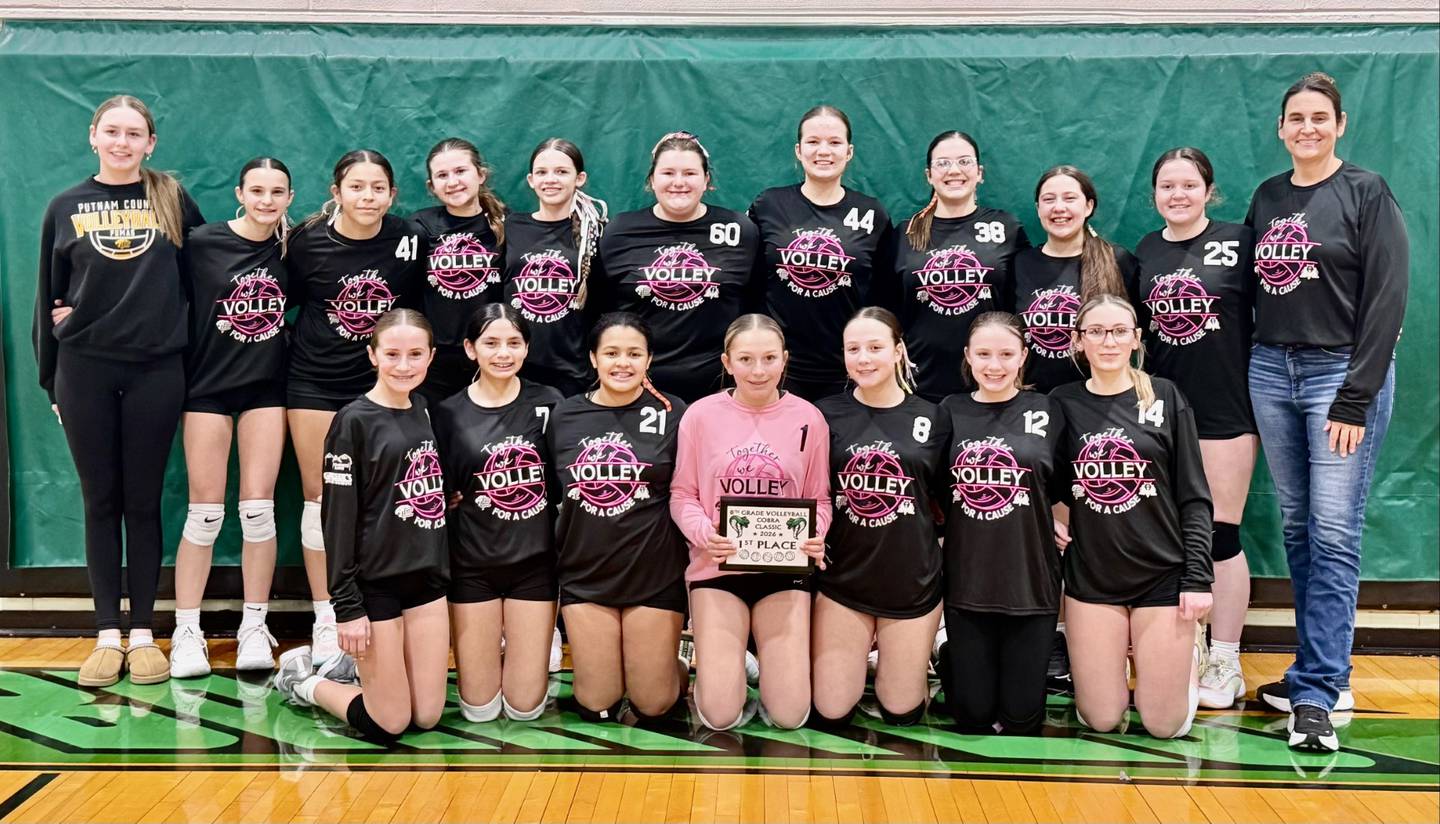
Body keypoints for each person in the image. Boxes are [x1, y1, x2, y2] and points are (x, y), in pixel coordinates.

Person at [1245, 72, 1409, 752]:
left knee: (1335, 532)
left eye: (1319, 116)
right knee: (1299, 529)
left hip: (1340, 374)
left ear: (1340, 125)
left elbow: (1389, 298)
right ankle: (1318, 670)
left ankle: (1318, 694)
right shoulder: (1268, 197)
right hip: (1270, 370)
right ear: (1281, 129)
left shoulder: (1365, 192)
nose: (1306, 127)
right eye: (1295, 117)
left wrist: (1355, 394)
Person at [33, 94, 204, 687]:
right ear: (93, 136)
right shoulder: (65, 205)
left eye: (135, 133)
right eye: (113, 131)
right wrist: (50, 377)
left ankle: (143, 633)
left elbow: (206, 275)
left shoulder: (173, 201)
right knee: (99, 500)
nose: (123, 141)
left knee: (143, 499)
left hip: (157, 369)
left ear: (151, 143)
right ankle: (107, 634)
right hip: (84, 371)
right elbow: (45, 294)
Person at [274, 309, 450, 745]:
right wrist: (348, 608)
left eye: (415, 355)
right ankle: (305, 682)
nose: (404, 365)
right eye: (392, 354)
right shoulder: (352, 421)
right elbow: (337, 522)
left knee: (426, 717)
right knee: (388, 723)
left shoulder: (427, 412)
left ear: (431, 357)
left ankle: (368, 671)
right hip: (377, 588)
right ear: (373, 355)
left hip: (427, 583)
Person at [1051, 294, 1213, 740]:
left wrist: (1197, 580)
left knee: (1165, 726)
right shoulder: (1060, 403)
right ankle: (1111, 664)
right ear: (1078, 343)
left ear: (1137, 339)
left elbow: (1195, 498)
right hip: (1093, 579)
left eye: (1120, 331)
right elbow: (1034, 476)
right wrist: (1048, 515)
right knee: (1102, 720)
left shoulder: (1165, 396)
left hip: (1161, 576)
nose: (1108, 341)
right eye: (1096, 332)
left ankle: (1187, 655)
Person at [285, 150, 425, 666]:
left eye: (378, 188)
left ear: (392, 194)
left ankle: (379, 606)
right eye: (357, 187)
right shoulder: (306, 241)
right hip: (315, 382)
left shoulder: (410, 238)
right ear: (336, 191)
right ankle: (327, 615)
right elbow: (283, 300)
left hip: (383, 383)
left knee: (387, 498)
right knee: (321, 497)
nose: (368, 197)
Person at [1135, 147, 1257, 710]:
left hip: (1225, 414)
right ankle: (1183, 649)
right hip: (1162, 414)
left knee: (1220, 536)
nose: (1177, 195)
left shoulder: (1240, 241)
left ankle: (1226, 659)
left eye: (1189, 185)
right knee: (1166, 534)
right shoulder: (1147, 250)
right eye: (1167, 186)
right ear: (1155, 194)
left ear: (1209, 191)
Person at [671, 313, 831, 731]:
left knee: (790, 716)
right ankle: (726, 659)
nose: (758, 370)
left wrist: (816, 536)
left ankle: (753, 662)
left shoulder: (809, 418)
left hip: (783, 569)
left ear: (784, 360)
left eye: (768, 358)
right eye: (745, 359)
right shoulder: (700, 416)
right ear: (727, 362)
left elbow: (820, 498)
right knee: (719, 717)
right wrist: (707, 535)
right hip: (717, 568)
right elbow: (682, 494)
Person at [168, 157, 294, 678]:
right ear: (240, 192)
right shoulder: (201, 243)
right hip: (206, 391)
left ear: (290, 197)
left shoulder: (293, 248)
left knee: (259, 511)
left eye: (278, 191)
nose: (267, 200)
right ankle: (187, 631)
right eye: (258, 190)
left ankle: (253, 626)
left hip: (266, 391)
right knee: (205, 513)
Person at [547, 313, 690, 723]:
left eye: (634, 353)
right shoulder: (564, 416)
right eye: (611, 353)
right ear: (593, 358)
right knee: (598, 700)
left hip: (653, 573)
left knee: (653, 703)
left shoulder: (674, 413)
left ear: (649, 360)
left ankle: (673, 664)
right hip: (586, 574)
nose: (622, 363)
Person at [812, 308, 948, 727]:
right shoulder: (822, 415)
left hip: (911, 582)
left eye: (875, 347)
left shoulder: (933, 417)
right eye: (854, 349)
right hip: (843, 580)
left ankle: (913, 656)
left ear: (898, 351)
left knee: (900, 710)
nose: (864, 358)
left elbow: (949, 502)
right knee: (832, 710)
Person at [935, 312, 1066, 734]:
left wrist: (1057, 521)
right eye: (984, 354)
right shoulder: (948, 412)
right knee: (972, 717)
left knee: (1022, 720)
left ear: (1024, 356)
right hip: (967, 581)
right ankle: (949, 655)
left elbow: (1067, 483)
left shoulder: (1047, 410)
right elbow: (932, 488)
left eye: (1006, 354)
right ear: (968, 358)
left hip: (1031, 581)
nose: (995, 365)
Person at [431, 304, 563, 722]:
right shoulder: (448, 413)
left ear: (526, 348)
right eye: (491, 343)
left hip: (535, 566)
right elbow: (444, 491)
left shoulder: (550, 403)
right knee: (479, 709)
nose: (503, 353)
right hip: (472, 565)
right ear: (470, 349)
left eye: (513, 343)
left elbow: (564, 482)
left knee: (525, 710)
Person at [596, 131, 760, 402]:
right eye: (668, 173)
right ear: (652, 179)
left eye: (690, 173)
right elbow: (603, 312)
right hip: (639, 385)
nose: (679, 183)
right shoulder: (619, 231)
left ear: (706, 180)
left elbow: (754, 306)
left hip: (720, 386)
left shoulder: (740, 231)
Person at [749, 105, 896, 401]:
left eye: (834, 142)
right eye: (813, 142)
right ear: (798, 150)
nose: (823, 151)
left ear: (849, 151)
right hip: (779, 368)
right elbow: (748, 282)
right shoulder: (769, 204)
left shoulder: (871, 213)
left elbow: (885, 295)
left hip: (850, 368)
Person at [895, 131, 1031, 402]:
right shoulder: (904, 233)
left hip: (991, 383)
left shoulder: (1006, 229)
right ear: (928, 175)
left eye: (964, 162)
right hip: (920, 386)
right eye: (943, 163)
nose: (954, 170)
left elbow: (1023, 303)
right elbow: (888, 307)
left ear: (980, 172)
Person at [1012, 165, 1140, 394]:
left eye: (1070, 198)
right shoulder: (1021, 263)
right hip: (1033, 402)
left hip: (1099, 403)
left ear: (1088, 205)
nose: (1059, 208)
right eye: (1049, 199)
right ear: (1038, 208)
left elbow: (1138, 330)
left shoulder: (1117, 260)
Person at [504, 138, 607, 397]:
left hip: (575, 372)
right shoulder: (510, 227)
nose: (551, 179)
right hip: (515, 368)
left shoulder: (596, 231)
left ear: (579, 178)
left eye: (561, 172)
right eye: (542, 172)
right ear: (530, 180)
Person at [413, 138, 507, 402]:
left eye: (460, 171)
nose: (452, 181)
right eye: (442, 175)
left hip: (491, 358)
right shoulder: (419, 226)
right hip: (435, 363)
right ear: (432, 186)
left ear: (481, 174)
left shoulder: (508, 225)